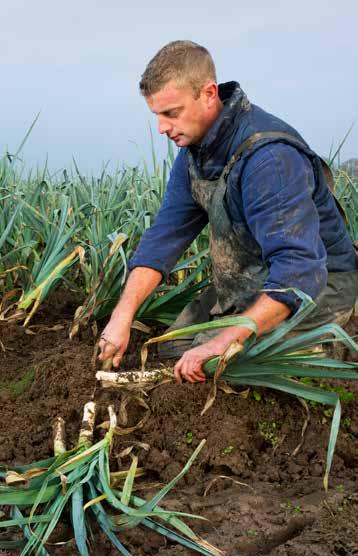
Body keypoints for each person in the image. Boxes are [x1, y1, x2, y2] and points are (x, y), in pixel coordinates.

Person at [98, 40, 358, 383]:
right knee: (174, 350)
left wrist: (223, 341)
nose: (161, 127)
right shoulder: (196, 150)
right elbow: (164, 236)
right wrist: (122, 315)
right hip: (255, 280)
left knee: (220, 366)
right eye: (156, 115)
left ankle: (339, 342)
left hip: (318, 287)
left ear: (208, 94)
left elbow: (298, 271)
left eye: (171, 113)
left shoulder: (268, 159)